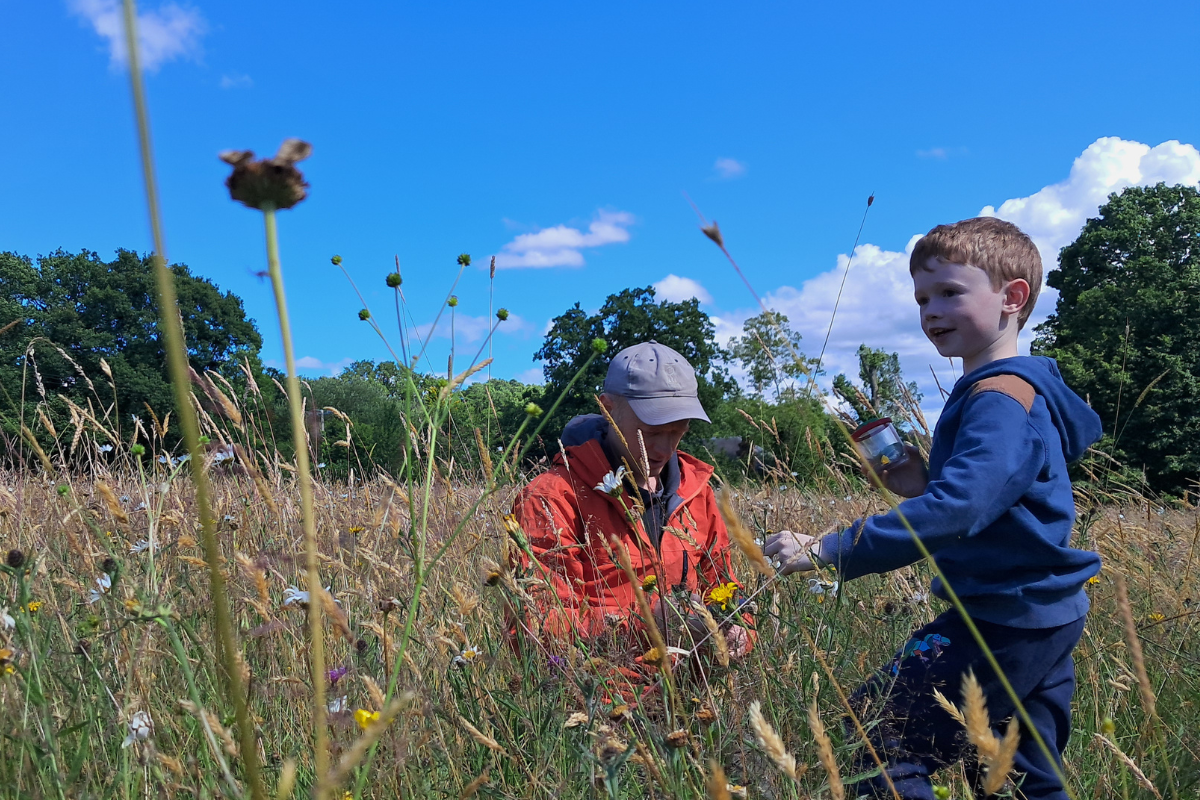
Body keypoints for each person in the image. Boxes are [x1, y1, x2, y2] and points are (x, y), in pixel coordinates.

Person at [765, 217, 1102, 800]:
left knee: (873, 741)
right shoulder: (1005, 390)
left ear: (1012, 298)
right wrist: (921, 481)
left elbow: (962, 508)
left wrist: (828, 549)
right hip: (1040, 614)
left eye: (950, 292)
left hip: (999, 618)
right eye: (923, 297)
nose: (931, 310)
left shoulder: (1000, 398)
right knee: (1018, 776)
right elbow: (989, 497)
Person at [510, 341, 751, 666]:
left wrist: (740, 630)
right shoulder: (552, 497)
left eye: (678, 432)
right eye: (651, 432)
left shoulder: (697, 491)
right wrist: (646, 624)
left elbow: (722, 588)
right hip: (597, 704)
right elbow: (533, 623)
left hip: (693, 703)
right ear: (608, 408)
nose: (665, 449)